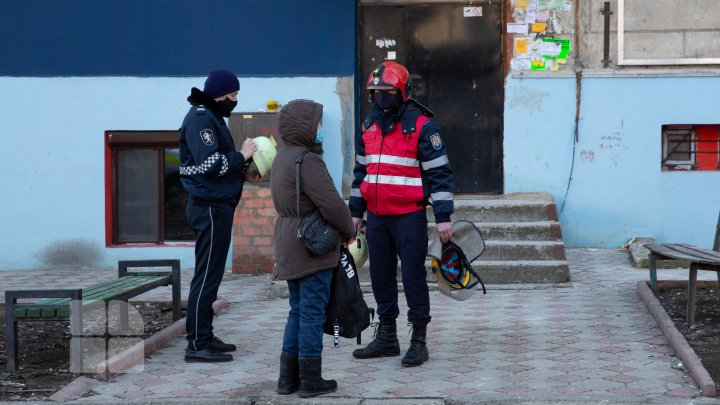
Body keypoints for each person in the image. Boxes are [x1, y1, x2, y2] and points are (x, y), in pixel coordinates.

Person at [349, 61, 454, 367]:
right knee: (380, 277)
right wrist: (356, 212)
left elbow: (440, 175)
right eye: (376, 92)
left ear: (402, 92)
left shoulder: (422, 126)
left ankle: (418, 340)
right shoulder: (368, 126)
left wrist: (444, 215)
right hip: (378, 218)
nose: (381, 97)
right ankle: (387, 338)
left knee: (412, 278)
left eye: (387, 92)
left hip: (409, 217)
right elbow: (360, 173)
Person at [270, 99, 355, 397]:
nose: (320, 129)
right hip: (311, 245)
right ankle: (310, 380)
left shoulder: (283, 157)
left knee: (297, 311)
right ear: (305, 126)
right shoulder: (307, 160)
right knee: (311, 313)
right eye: (317, 124)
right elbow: (331, 203)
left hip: (288, 241)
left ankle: (287, 379)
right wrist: (349, 230)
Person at [179, 69, 260, 363]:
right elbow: (211, 164)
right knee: (206, 276)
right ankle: (197, 344)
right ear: (221, 94)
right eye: (233, 95)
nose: (235, 100)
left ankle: (205, 333)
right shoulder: (202, 118)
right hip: (209, 208)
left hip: (217, 206)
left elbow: (215, 167)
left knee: (212, 275)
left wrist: (241, 172)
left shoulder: (210, 117)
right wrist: (242, 155)